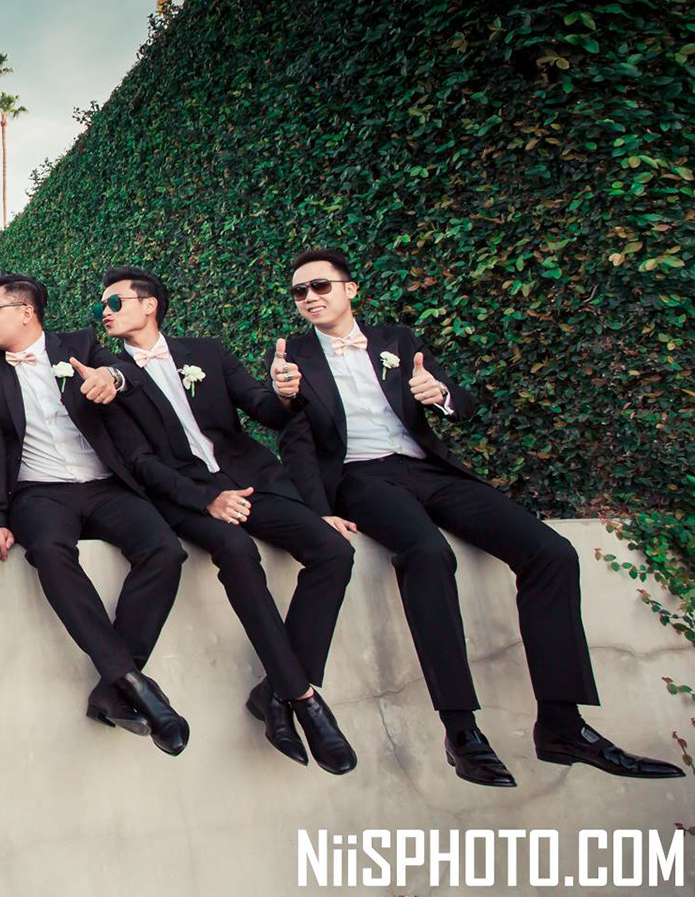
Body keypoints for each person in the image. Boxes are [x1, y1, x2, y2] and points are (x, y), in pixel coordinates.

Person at [275, 247, 684, 787]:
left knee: (551, 552)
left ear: (350, 290)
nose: (309, 298)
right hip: (362, 478)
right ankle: (462, 732)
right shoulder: (293, 357)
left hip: (429, 468)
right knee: (428, 553)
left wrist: (440, 394)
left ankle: (562, 725)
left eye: (320, 286)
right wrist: (317, 504)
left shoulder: (398, 340)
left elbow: (464, 405)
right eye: (299, 292)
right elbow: (294, 439)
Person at [97, 266, 357, 774]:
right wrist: (205, 500)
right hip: (184, 496)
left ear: (149, 305)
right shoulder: (111, 376)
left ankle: (274, 691)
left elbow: (263, 408)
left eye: (114, 302)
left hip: (252, 481)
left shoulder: (208, 352)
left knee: (333, 551)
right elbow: (140, 462)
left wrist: (285, 392)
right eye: (102, 306)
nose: (104, 312)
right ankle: (303, 698)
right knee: (237, 550)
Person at [0, 271, 192, 756]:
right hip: (39, 491)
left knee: (165, 550)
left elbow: (129, 376)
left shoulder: (80, 345)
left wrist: (112, 377)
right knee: (49, 550)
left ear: (26, 313)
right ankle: (134, 682)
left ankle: (113, 688)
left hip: (105, 484)